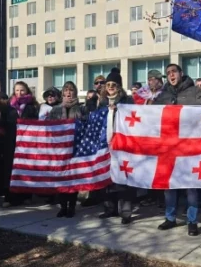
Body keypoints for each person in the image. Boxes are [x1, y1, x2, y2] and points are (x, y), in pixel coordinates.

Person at [154, 64, 201, 236]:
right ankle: (170, 217)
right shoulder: (164, 95)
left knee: (190, 186)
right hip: (168, 146)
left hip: (189, 146)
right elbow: (152, 115)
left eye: (174, 72)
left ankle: (192, 221)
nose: (171, 75)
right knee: (169, 185)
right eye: (168, 73)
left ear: (181, 73)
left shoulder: (194, 91)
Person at [97, 68, 136, 224]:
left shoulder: (127, 101)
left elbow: (133, 117)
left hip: (122, 145)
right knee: (108, 178)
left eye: (114, 84)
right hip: (106, 144)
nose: (111, 87)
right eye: (108, 84)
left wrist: (118, 111)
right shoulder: (101, 103)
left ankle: (125, 212)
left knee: (123, 178)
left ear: (119, 86)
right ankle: (109, 208)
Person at [49, 81, 89, 218]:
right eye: (66, 90)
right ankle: (63, 206)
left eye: (71, 90)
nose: (68, 92)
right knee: (61, 178)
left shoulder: (81, 108)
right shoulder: (55, 110)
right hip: (59, 149)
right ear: (62, 93)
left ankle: (71, 206)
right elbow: (49, 128)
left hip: (75, 148)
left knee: (72, 179)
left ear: (75, 92)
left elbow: (86, 125)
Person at [3, 81, 40, 207]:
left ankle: (26, 196)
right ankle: (10, 197)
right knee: (11, 169)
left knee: (25, 168)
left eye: (22, 90)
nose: (19, 93)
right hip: (11, 142)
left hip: (26, 144)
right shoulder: (9, 107)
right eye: (17, 90)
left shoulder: (32, 106)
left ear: (27, 91)